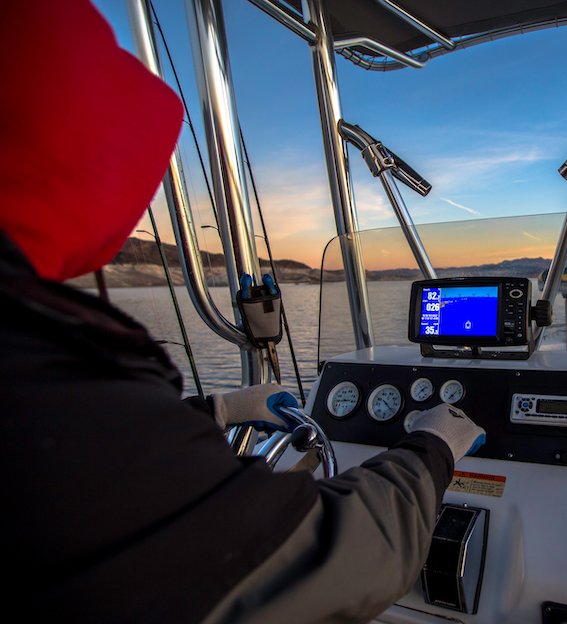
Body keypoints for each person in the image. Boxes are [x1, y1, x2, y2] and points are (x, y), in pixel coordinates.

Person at [0, 2, 485, 622]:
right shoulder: (35, 370)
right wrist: (432, 448)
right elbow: (340, 556)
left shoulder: (35, 375)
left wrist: (216, 410)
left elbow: (91, 458)